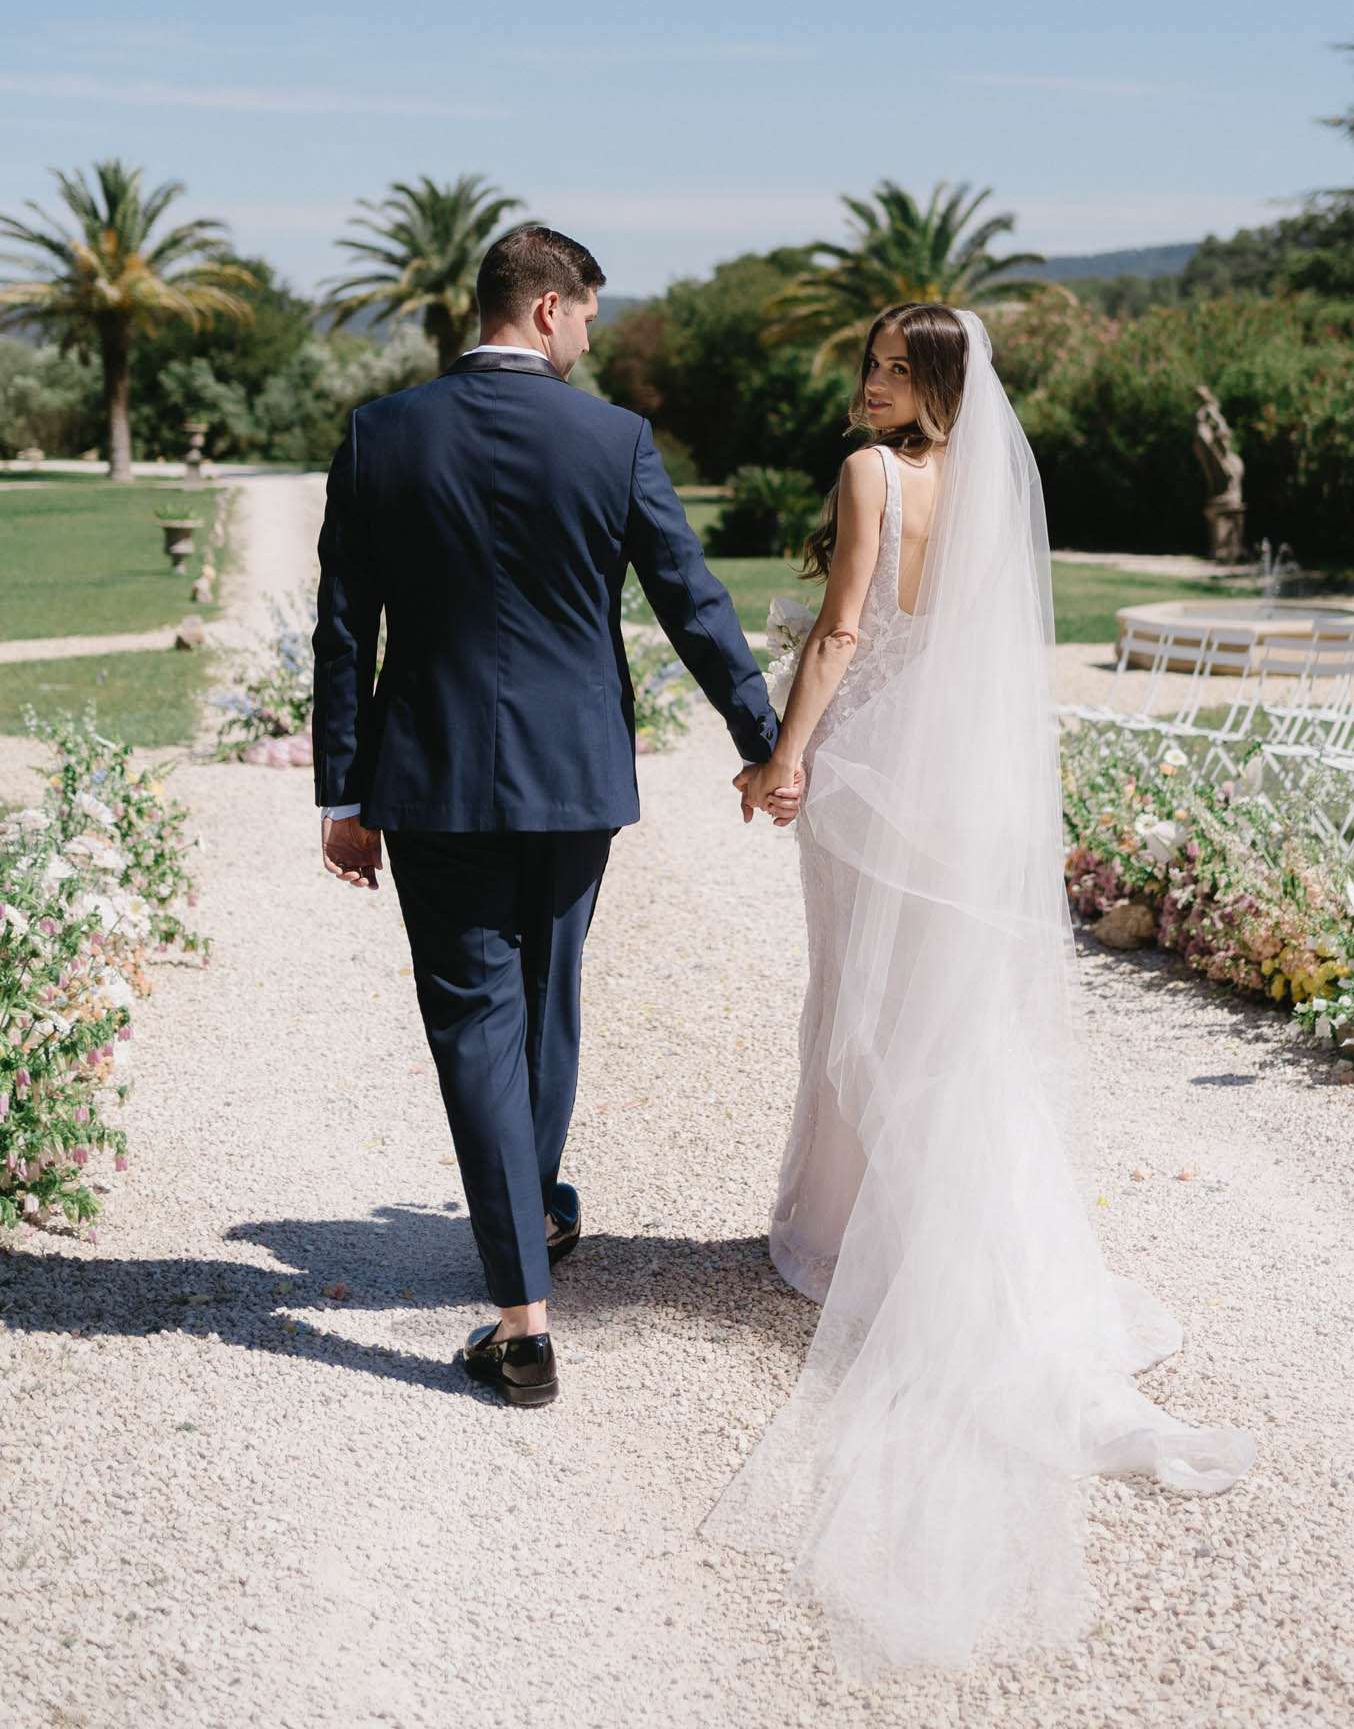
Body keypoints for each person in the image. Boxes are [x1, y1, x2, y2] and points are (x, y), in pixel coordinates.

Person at [711, 304, 1256, 1674]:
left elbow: (838, 635)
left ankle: (842, 1240)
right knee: (953, 1030)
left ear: (932, 383)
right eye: (865, 368)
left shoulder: (869, 477)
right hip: (961, 795)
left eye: (884, 370)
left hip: (872, 781)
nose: (861, 387)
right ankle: (960, 1243)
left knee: (856, 1009)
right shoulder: (991, 490)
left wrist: (783, 759)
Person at [311, 222, 795, 1409]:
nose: (590, 332)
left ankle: (523, 1293)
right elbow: (691, 596)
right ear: (543, 309)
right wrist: (765, 738)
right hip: (573, 776)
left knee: (475, 1015)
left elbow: (341, 628)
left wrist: (343, 789)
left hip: (427, 780)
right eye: (585, 312)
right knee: (545, 999)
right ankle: (524, 1266)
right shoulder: (612, 438)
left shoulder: (382, 433)